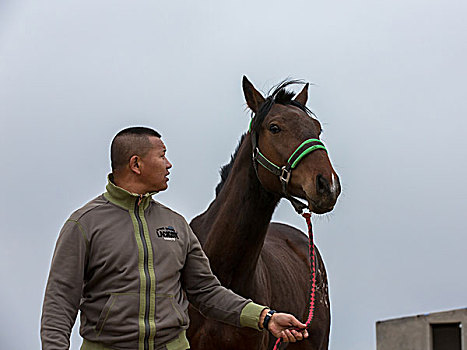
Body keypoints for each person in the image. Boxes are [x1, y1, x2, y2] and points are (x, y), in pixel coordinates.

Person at [41, 126, 309, 350]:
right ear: (136, 164)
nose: (169, 164)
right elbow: (60, 301)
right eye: (162, 156)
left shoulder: (176, 225)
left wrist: (264, 316)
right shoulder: (84, 224)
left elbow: (207, 292)